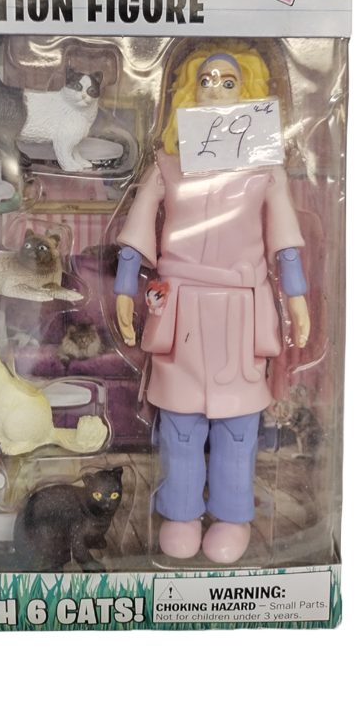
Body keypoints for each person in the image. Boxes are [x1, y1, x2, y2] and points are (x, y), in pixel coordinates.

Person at [113, 46, 310, 563]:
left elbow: (285, 240)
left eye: (228, 82)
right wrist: (123, 288)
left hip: (241, 310)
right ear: (188, 90)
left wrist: (297, 298)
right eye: (207, 80)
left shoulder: (266, 170)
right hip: (181, 309)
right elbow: (137, 228)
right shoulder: (168, 164)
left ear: (247, 93)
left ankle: (232, 516)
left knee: (238, 427)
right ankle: (179, 513)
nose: (216, 90)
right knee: (179, 423)